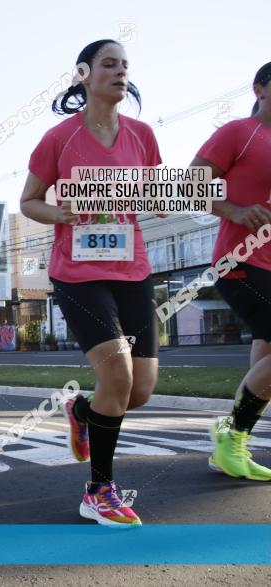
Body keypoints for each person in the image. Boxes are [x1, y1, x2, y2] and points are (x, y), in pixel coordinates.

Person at [20, 39, 161, 526]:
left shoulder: (142, 134)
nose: (121, 72)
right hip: (77, 272)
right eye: (109, 64)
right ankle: (99, 491)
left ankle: (82, 411)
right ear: (84, 73)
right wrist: (58, 211)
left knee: (138, 390)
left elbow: (157, 191)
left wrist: (166, 196)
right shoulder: (59, 138)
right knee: (117, 375)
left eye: (125, 65)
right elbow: (29, 201)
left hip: (133, 268)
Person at [190, 62, 271, 481]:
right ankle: (232, 434)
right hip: (239, 260)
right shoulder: (239, 133)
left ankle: (232, 443)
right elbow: (191, 183)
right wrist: (235, 210)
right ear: (259, 88)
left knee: (267, 354)